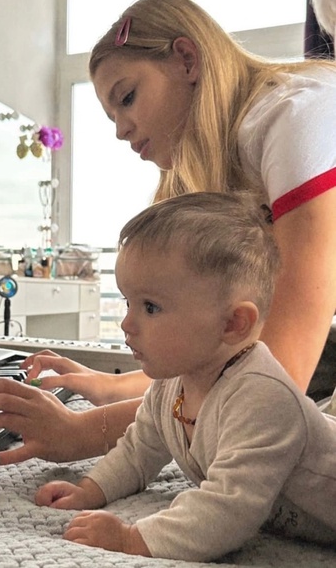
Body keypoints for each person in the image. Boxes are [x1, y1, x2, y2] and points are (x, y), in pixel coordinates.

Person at [0, 0, 336, 466]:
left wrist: (87, 432)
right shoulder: (239, 155)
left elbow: (272, 385)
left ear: (186, 59)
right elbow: (222, 356)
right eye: (112, 116)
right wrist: (111, 386)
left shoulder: (295, 116)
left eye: (127, 98)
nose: (120, 130)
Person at [34, 192, 336, 562]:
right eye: (128, 303)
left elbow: (229, 510)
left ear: (232, 323)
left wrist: (130, 539)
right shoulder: (171, 385)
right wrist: (90, 489)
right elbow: (138, 451)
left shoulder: (264, 398)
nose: (127, 323)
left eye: (150, 307)